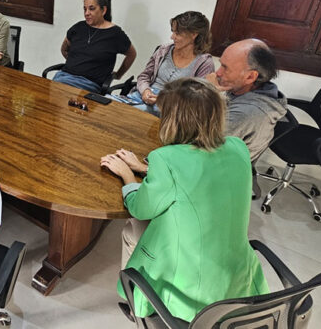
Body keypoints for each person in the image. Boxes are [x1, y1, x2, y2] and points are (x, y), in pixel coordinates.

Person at [101, 78, 269, 325]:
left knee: (130, 229)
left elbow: (140, 209)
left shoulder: (165, 158)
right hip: (237, 277)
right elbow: (202, 175)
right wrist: (145, 168)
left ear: (172, 120)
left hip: (190, 289)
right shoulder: (238, 148)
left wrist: (127, 175)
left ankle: (136, 304)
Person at [205, 38, 287, 163]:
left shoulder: (246, 113)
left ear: (250, 77)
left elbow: (197, 145)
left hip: (217, 168)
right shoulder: (241, 90)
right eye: (221, 64)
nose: (218, 73)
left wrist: (207, 93)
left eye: (225, 68)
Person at [127, 11, 214, 115]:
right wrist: (145, 90)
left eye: (177, 33)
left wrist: (164, 100)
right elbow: (144, 76)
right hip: (143, 96)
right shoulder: (163, 50)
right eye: (173, 32)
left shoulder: (205, 63)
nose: (172, 37)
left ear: (193, 34)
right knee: (110, 103)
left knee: (128, 113)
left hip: (170, 109)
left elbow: (198, 99)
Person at [53, 0, 137, 92]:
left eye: (91, 9)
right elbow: (64, 49)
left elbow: (131, 54)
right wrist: (76, 63)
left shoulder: (115, 34)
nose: (86, 13)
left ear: (103, 10)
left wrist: (118, 75)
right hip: (63, 77)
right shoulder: (78, 27)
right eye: (85, 9)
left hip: (88, 85)